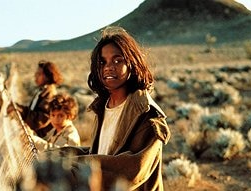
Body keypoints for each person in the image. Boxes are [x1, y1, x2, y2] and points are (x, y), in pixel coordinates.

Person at [58, 26, 171, 191]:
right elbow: (102, 153)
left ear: (132, 64)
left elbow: (132, 170)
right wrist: (56, 156)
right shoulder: (103, 107)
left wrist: (70, 168)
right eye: (102, 62)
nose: (108, 67)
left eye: (117, 60)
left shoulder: (147, 114)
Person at [8, 60, 63, 138]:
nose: (35, 76)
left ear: (47, 76)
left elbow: (40, 120)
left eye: (39, 74)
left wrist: (21, 111)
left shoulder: (50, 94)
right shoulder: (43, 90)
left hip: (42, 138)